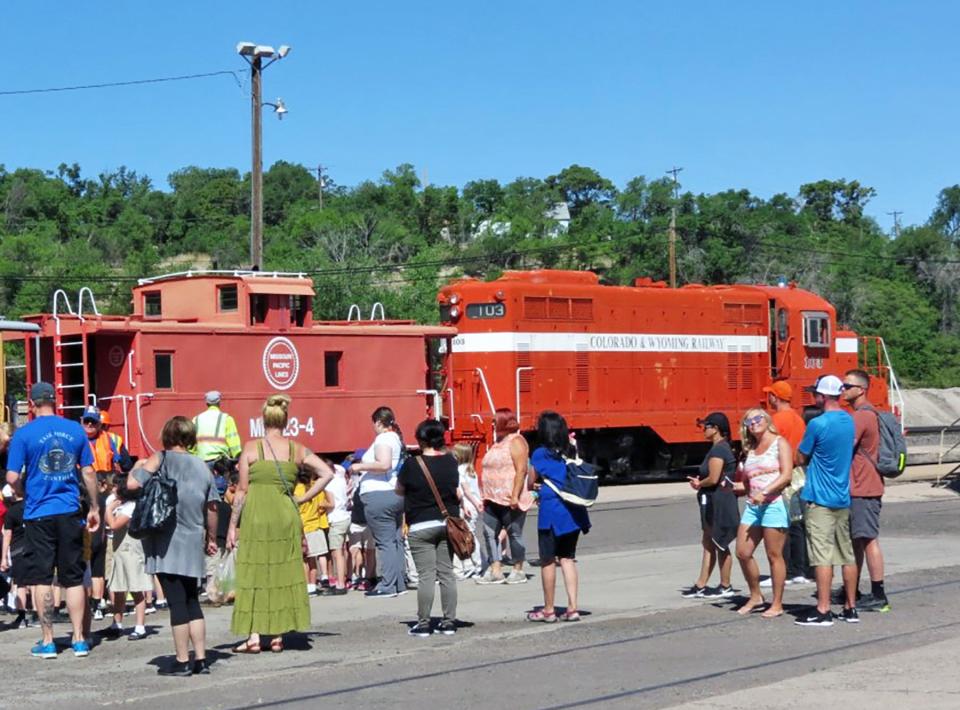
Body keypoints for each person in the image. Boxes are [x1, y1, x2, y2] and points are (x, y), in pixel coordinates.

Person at [228, 394, 333, 653]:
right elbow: (327, 473)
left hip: (256, 515)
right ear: (286, 421)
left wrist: (233, 525)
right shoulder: (297, 449)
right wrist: (302, 498)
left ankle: (254, 637)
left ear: (263, 420)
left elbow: (241, 491)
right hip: (286, 513)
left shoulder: (251, 448)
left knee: (254, 572)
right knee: (282, 572)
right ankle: (276, 636)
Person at [5, 382, 99, 659]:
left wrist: (25, 492)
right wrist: (94, 506)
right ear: (55, 401)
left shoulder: (24, 434)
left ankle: (48, 641)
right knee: (72, 578)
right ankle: (79, 639)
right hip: (69, 510)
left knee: (42, 577)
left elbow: (11, 477)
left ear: (32, 405)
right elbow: (90, 473)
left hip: (38, 513)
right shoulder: (74, 430)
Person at [127, 416, 220, 675]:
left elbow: (133, 483)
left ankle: (181, 661)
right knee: (192, 600)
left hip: (167, 540)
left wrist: (140, 465)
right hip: (193, 539)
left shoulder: (162, 458)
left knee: (176, 602)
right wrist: (211, 538)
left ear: (167, 435)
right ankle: (201, 659)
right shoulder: (203, 467)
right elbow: (212, 508)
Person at [794, 374, 858, 627]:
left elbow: (801, 458)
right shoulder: (848, 421)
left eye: (815, 394)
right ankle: (850, 608)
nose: (813, 397)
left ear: (822, 396)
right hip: (842, 497)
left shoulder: (817, 424)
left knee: (822, 556)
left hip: (820, 499)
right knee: (847, 554)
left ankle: (823, 610)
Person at [396, 419, 461, 637]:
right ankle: (449, 622)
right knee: (447, 574)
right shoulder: (451, 462)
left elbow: (399, 490)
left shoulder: (412, 464)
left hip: (421, 525)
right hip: (447, 524)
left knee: (426, 576)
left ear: (421, 439)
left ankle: (423, 624)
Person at [527, 411, 590, 622]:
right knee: (568, 558)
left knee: (548, 560)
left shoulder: (540, 454)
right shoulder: (572, 449)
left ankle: (549, 610)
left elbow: (530, 481)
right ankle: (573, 608)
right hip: (574, 511)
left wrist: (536, 486)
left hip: (551, 512)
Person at [732, 409, 793, 618]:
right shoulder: (750, 448)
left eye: (758, 418)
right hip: (753, 505)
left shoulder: (780, 443)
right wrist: (737, 487)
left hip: (774, 503)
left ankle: (777, 603)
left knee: (774, 555)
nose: (753, 423)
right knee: (742, 551)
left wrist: (765, 492)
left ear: (767, 421)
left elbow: (786, 475)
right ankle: (756, 595)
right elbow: (748, 480)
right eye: (749, 421)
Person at [842, 368, 889, 612]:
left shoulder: (861, 416)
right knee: (858, 540)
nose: (843, 389)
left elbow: (845, 446)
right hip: (862, 486)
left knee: (868, 539)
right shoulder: (865, 414)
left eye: (847, 386)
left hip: (864, 487)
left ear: (861, 390)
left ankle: (879, 594)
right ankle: (852, 589)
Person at [349, 407, 407, 598]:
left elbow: (384, 464)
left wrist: (359, 466)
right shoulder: (395, 438)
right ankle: (399, 582)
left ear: (378, 422)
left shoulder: (383, 438)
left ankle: (388, 585)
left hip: (379, 495)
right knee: (395, 540)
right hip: (394, 494)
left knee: (385, 542)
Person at [682, 412, 736, 600]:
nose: (704, 429)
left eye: (706, 426)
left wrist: (699, 483)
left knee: (719, 541)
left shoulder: (719, 450)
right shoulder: (718, 448)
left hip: (718, 501)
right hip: (713, 499)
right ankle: (701, 584)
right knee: (709, 542)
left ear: (716, 429)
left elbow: (713, 478)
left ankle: (725, 585)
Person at [762, 381, 811, 586]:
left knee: (782, 522)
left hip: (782, 473)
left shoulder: (775, 420)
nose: (768, 399)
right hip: (799, 472)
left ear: (776, 397)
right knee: (798, 521)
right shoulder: (798, 419)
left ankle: (788, 571)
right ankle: (800, 569)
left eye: (770, 395)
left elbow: (768, 447)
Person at [477, 408, 533, 585]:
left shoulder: (516, 441)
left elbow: (521, 470)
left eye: (495, 421)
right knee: (489, 533)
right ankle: (495, 569)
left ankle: (518, 569)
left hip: (509, 497)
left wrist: (515, 495)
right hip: (492, 497)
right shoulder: (497, 442)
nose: (492, 424)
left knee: (514, 533)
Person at [105, 475, 153, 640]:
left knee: (136, 587)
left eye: (116, 486)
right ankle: (116, 623)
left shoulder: (131, 506)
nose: (113, 490)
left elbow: (113, 524)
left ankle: (140, 626)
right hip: (120, 549)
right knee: (118, 588)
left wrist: (108, 510)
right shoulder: (121, 504)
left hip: (131, 550)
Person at [1, 483, 34, 628]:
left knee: (21, 583)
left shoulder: (12, 512)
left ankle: (22, 616)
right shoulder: (33, 507)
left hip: (17, 550)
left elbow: (7, 535)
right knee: (38, 582)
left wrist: (4, 557)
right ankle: (37, 614)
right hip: (36, 548)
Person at [294, 467, 329, 596]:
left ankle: (305, 585)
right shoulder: (316, 488)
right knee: (313, 560)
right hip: (315, 526)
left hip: (301, 527)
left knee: (303, 560)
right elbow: (323, 505)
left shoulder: (295, 490)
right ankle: (313, 586)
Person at [452, 443, 483, 580]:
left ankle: (476, 564)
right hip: (474, 505)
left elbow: (466, 491)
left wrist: (469, 504)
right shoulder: (471, 470)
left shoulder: (459, 470)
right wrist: (479, 502)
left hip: (468, 505)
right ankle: (476, 564)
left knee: (467, 536)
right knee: (470, 534)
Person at [321, 461, 351, 596]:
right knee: (343, 551)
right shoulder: (341, 479)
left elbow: (331, 504)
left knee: (336, 553)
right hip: (345, 516)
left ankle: (340, 584)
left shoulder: (329, 484)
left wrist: (321, 504)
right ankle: (342, 579)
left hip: (335, 517)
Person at [193, 391, 242, 466]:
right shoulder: (226, 419)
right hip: (220, 464)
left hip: (201, 463)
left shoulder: (196, 419)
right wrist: (238, 458)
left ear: (207, 403)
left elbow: (191, 444)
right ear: (219, 402)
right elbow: (234, 444)